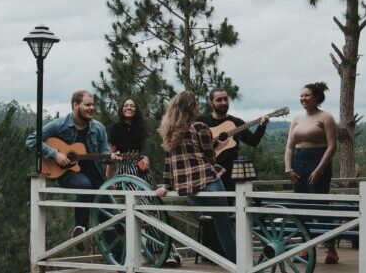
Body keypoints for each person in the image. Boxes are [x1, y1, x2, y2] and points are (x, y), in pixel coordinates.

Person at [25, 90, 121, 246]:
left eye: (92, 105)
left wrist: (110, 158)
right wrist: (55, 154)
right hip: (67, 173)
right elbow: (31, 140)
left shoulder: (98, 128)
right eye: (87, 105)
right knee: (85, 186)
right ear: (75, 105)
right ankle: (80, 228)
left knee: (109, 217)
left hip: (95, 175)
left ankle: (121, 262)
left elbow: (103, 154)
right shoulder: (60, 124)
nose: (91, 108)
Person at [155, 91, 236, 263]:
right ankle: (238, 265)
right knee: (224, 227)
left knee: (211, 221)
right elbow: (209, 157)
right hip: (210, 183)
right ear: (192, 107)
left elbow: (169, 164)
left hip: (189, 189)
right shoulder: (199, 127)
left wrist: (167, 186)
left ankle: (218, 260)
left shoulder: (169, 132)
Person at [106, 98, 182, 267]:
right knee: (149, 210)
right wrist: (109, 179)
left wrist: (145, 157)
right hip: (126, 172)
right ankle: (165, 252)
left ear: (136, 109)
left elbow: (143, 151)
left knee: (157, 208)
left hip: (142, 171)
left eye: (132, 105)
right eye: (126, 105)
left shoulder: (140, 128)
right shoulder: (116, 128)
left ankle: (168, 251)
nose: (129, 107)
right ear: (121, 109)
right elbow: (110, 156)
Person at [196, 88, 268, 260]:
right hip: (206, 174)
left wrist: (262, 126)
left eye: (225, 100)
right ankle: (209, 253)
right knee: (208, 215)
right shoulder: (201, 121)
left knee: (227, 214)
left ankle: (226, 254)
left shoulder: (236, 123)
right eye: (219, 100)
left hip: (230, 176)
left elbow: (253, 141)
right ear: (211, 102)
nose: (223, 103)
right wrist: (207, 142)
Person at [284, 82, 338, 264]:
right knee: (300, 206)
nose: (303, 99)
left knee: (320, 205)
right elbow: (290, 146)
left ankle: (331, 248)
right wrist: (288, 168)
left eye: (306, 95)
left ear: (316, 97)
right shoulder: (297, 119)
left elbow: (332, 147)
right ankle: (305, 247)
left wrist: (319, 170)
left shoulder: (326, 117)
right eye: (301, 96)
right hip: (299, 162)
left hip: (318, 160)